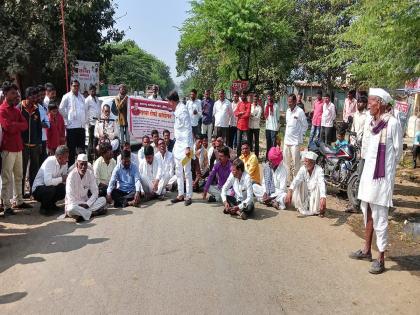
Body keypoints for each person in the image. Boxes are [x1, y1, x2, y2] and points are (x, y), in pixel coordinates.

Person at [349, 88, 403, 275]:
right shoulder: (372, 123)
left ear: (379, 103)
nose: (368, 104)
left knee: (380, 216)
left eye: (371, 101)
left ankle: (380, 258)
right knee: (367, 210)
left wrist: (386, 174)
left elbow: (398, 154)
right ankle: (366, 250)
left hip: (382, 179)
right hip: (368, 176)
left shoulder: (393, 124)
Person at [0, 83, 30, 215]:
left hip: (18, 147)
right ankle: (6, 205)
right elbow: (8, 127)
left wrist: (15, 125)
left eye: (16, 93)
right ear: (5, 94)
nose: (16, 96)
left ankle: (19, 200)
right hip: (8, 148)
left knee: (19, 175)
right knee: (7, 178)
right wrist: (16, 125)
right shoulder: (1, 110)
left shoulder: (16, 111)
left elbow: (25, 125)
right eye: (13, 93)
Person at [167, 91, 194, 205]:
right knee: (178, 171)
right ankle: (180, 194)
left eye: (169, 103)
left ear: (173, 101)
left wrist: (188, 147)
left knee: (187, 171)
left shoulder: (182, 110)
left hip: (186, 146)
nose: (169, 105)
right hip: (178, 145)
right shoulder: (177, 110)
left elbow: (188, 129)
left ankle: (188, 196)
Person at [17, 87, 44, 197]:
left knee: (34, 170)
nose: (36, 98)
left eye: (36, 96)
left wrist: (39, 143)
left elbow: (39, 128)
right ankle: (21, 194)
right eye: (33, 96)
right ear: (27, 97)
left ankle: (33, 191)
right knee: (22, 171)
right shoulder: (19, 108)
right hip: (23, 145)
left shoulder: (36, 109)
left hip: (35, 145)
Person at [65, 154, 106, 222]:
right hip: (74, 204)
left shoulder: (89, 173)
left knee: (103, 200)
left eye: (85, 164)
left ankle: (81, 215)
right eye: (81, 164)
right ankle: (93, 213)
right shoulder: (71, 176)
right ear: (77, 165)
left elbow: (95, 192)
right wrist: (80, 205)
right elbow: (70, 197)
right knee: (70, 209)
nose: (83, 167)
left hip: (86, 203)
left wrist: (87, 204)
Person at [285, 151, 326, 217]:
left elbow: (322, 184)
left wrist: (323, 197)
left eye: (306, 161)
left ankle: (319, 208)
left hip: (314, 194)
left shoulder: (319, 170)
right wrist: (290, 191)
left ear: (313, 163)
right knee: (299, 181)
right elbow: (296, 180)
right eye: (304, 161)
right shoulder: (303, 168)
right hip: (305, 193)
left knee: (319, 186)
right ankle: (302, 205)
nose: (304, 163)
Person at [32, 145, 68, 215]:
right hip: (38, 189)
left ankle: (51, 204)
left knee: (63, 188)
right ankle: (44, 208)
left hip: (50, 187)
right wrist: (62, 178)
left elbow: (64, 180)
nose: (67, 159)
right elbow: (47, 182)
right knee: (50, 189)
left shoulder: (64, 164)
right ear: (59, 157)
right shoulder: (50, 161)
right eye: (66, 157)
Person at [59, 79, 87, 166]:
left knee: (81, 149)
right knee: (71, 149)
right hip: (71, 127)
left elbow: (84, 110)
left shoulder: (82, 97)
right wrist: (68, 117)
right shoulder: (66, 96)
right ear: (71, 86)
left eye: (77, 86)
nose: (76, 87)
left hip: (81, 126)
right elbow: (61, 109)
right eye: (74, 86)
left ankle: (81, 166)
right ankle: (70, 167)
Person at [284, 93, 308, 184]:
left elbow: (305, 126)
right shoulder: (287, 111)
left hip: (295, 142)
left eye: (290, 102)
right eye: (288, 102)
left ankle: (295, 182)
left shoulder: (300, 111)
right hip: (286, 141)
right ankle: (287, 181)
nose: (289, 103)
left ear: (295, 101)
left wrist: (300, 135)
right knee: (286, 163)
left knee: (296, 164)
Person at [86, 84, 101, 160]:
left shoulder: (97, 99)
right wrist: (88, 122)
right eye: (92, 90)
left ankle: (96, 156)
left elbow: (99, 110)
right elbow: (85, 112)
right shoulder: (87, 100)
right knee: (91, 142)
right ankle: (89, 159)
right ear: (89, 91)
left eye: (94, 90)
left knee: (96, 141)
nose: (93, 91)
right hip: (91, 124)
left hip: (97, 123)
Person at [234, 90, 251, 157]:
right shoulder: (239, 103)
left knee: (247, 144)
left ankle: (248, 156)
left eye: (243, 95)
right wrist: (240, 113)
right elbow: (235, 113)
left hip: (246, 127)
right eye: (241, 95)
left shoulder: (249, 104)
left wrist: (240, 116)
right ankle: (238, 157)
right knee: (238, 143)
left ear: (246, 96)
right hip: (239, 126)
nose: (242, 96)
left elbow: (247, 114)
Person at [36, 85, 50, 163]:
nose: (42, 97)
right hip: (35, 137)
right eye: (40, 95)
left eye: (43, 94)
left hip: (44, 136)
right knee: (35, 160)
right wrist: (39, 123)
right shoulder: (33, 106)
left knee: (43, 159)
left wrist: (40, 123)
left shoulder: (45, 105)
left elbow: (47, 124)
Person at [264, 91, 281, 156]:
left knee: (273, 144)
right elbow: (265, 115)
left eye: (271, 96)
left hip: (274, 128)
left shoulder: (276, 106)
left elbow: (278, 118)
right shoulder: (265, 105)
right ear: (267, 97)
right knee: (268, 143)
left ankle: (273, 157)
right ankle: (268, 156)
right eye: (268, 96)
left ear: (273, 97)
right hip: (267, 127)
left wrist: (278, 128)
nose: (269, 98)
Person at [249, 94, 262, 158]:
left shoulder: (259, 107)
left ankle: (256, 156)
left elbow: (258, 117)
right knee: (250, 142)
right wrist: (253, 115)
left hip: (256, 127)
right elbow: (249, 115)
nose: (255, 100)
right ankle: (250, 156)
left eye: (256, 99)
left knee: (256, 142)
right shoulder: (250, 106)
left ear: (258, 100)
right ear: (252, 99)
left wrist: (251, 116)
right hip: (250, 126)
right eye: (254, 99)